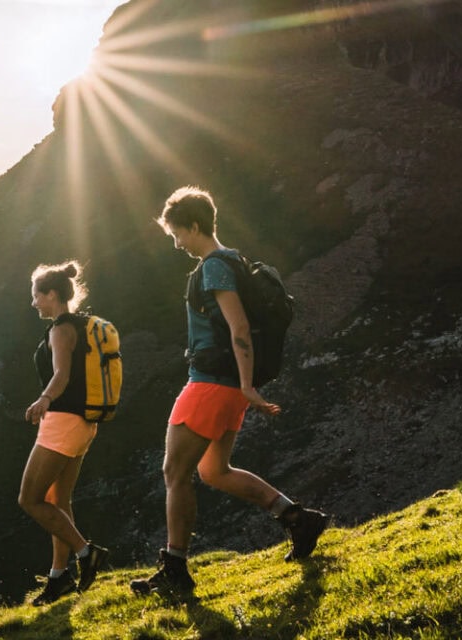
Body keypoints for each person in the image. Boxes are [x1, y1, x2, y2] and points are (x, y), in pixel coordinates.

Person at [131, 187, 329, 600]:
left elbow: (238, 328)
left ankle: (175, 570)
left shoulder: (215, 268)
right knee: (213, 471)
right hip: (227, 385)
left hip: (211, 383)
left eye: (177, 233)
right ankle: (296, 517)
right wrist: (243, 388)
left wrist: (245, 386)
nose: (176, 242)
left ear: (195, 226)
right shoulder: (235, 259)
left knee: (175, 473)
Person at [19, 261, 111, 605]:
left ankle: (86, 554)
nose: (33, 303)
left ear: (52, 295)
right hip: (84, 425)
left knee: (29, 499)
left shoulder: (60, 330)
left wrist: (44, 399)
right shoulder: (80, 325)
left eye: (37, 296)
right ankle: (59, 577)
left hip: (63, 422)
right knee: (59, 502)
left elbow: (62, 374)